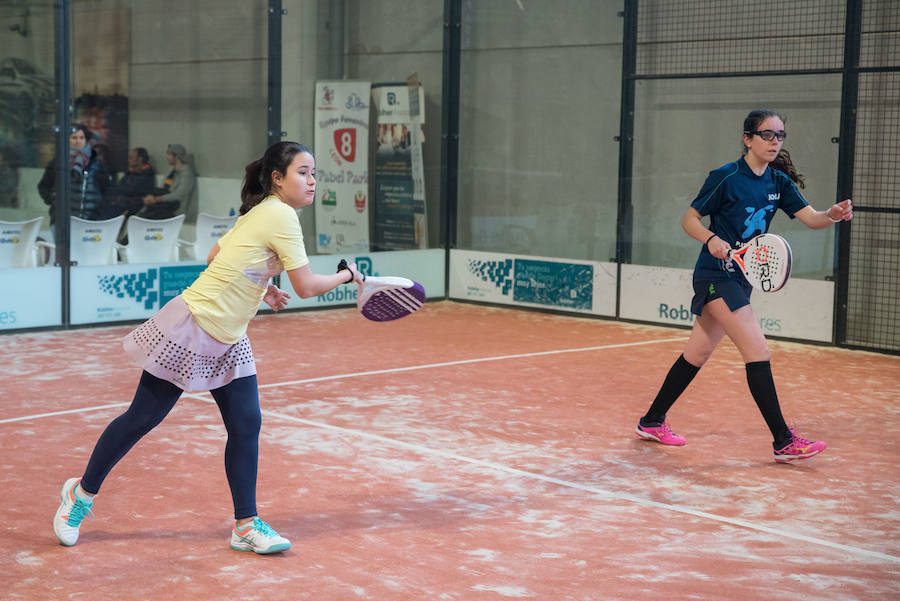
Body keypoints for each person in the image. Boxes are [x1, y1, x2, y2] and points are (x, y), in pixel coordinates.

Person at [53, 141, 363, 553]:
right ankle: (80, 494)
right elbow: (306, 287)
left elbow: (219, 253)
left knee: (246, 425)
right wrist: (347, 277)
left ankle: (246, 525)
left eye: (313, 172)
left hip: (230, 337)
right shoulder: (281, 216)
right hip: (194, 326)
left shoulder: (259, 212)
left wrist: (263, 285)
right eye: (303, 172)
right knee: (142, 417)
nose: (312, 180)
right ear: (277, 177)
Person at [634, 109, 853, 463]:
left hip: (742, 277)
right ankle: (783, 441)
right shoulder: (725, 177)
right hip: (716, 275)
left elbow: (811, 218)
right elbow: (689, 219)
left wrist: (832, 215)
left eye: (780, 135)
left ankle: (651, 420)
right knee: (758, 350)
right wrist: (710, 239)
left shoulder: (778, 182)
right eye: (767, 134)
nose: (775, 141)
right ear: (747, 138)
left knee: (697, 353)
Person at [37, 123, 111, 223]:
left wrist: (100, 210)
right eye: (74, 137)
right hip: (62, 222)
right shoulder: (58, 162)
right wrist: (53, 201)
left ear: (86, 140)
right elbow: (44, 186)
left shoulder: (95, 163)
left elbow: (108, 190)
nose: (78, 141)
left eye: (81, 137)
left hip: (91, 219)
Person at [140, 143, 197, 222]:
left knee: (149, 217)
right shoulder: (171, 171)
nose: (167, 157)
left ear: (176, 156)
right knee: (141, 213)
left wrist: (156, 199)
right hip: (164, 204)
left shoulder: (187, 173)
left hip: (176, 208)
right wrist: (152, 197)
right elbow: (163, 189)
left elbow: (179, 195)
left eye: (169, 154)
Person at [104, 147, 156, 220]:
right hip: (122, 202)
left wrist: (119, 192)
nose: (129, 160)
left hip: (134, 204)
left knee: (110, 214)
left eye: (131, 157)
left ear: (140, 159)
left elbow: (132, 189)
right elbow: (119, 186)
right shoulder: (130, 172)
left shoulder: (147, 173)